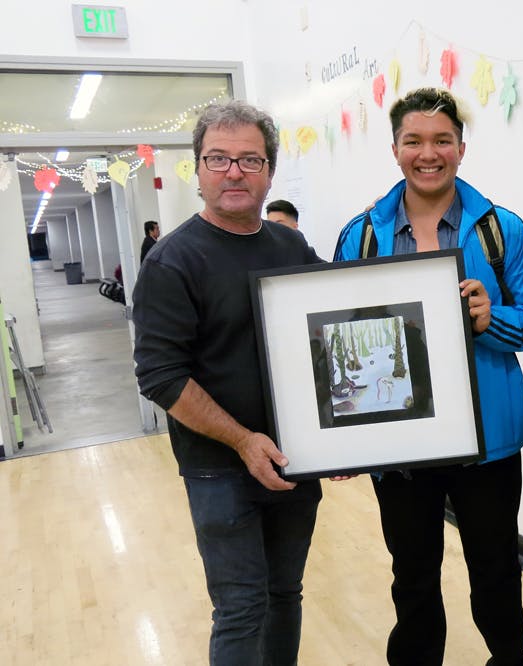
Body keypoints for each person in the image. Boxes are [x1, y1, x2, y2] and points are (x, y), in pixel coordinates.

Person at [334, 87, 523, 666]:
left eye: (442, 140)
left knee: (496, 569)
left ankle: (511, 659)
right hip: (400, 438)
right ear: (395, 149)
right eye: (414, 141)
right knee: (413, 574)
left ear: (461, 147)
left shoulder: (501, 229)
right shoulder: (361, 236)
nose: (429, 154)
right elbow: (338, 335)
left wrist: (489, 317)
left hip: (488, 440)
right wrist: (344, 435)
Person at [132, 100, 324, 666]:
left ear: (269, 171)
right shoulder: (172, 261)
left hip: (294, 457)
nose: (234, 171)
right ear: (198, 169)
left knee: (284, 594)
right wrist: (243, 440)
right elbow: (160, 376)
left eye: (250, 159)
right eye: (219, 159)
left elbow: (327, 331)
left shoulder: (291, 248)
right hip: (220, 467)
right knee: (241, 609)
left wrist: (342, 433)